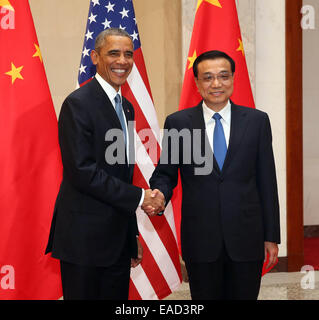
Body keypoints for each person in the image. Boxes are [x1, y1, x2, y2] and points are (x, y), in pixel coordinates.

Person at [149, 50, 280, 300]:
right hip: (201, 240)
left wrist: (271, 236)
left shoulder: (257, 121)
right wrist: (158, 193)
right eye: (208, 78)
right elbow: (165, 173)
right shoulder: (179, 123)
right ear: (197, 83)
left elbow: (267, 182)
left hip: (246, 238)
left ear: (233, 79)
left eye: (223, 76)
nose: (216, 84)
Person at [45, 28, 164, 300]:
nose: (122, 61)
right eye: (113, 53)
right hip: (84, 240)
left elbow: (122, 174)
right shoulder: (78, 104)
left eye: (128, 54)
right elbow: (82, 172)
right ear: (95, 57)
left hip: (118, 241)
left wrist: (131, 234)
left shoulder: (127, 107)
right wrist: (141, 196)